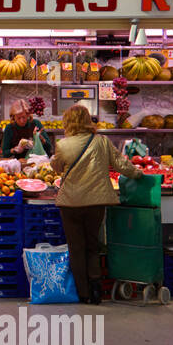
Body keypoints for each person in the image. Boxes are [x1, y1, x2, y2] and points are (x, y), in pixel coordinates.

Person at [51, 106, 142, 304]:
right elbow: (120, 164)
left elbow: (57, 167)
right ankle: (96, 291)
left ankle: (82, 293)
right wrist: (138, 174)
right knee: (93, 245)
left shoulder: (63, 144)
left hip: (71, 203)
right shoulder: (101, 141)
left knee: (76, 248)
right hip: (96, 201)